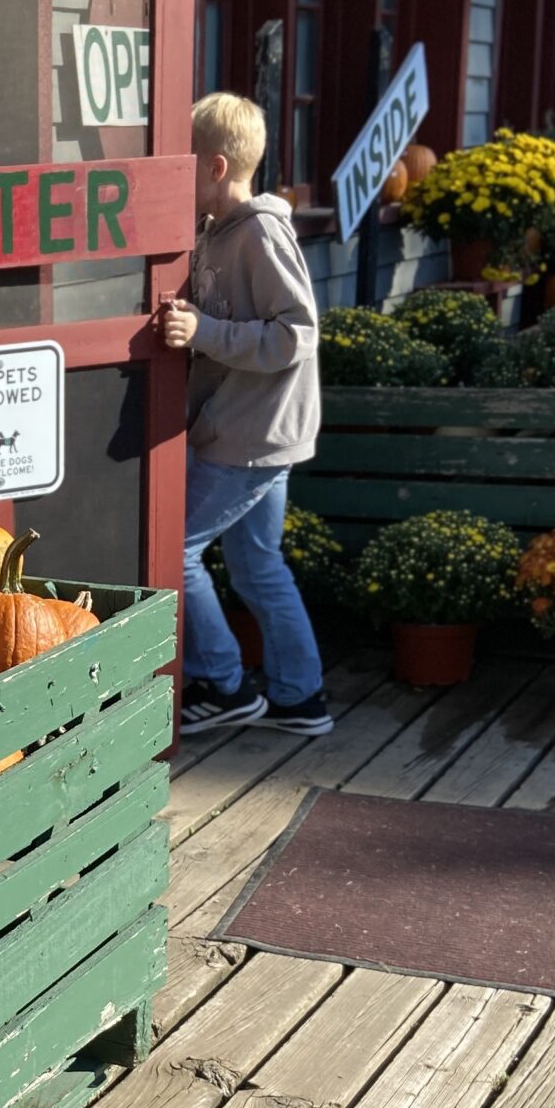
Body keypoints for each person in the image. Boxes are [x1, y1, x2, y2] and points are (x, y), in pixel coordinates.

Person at [153, 91, 332, 736]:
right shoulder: (215, 234)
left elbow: (295, 335)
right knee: (258, 566)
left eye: (185, 162)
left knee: (175, 552)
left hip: (253, 435)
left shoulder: (259, 232)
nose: (176, 172)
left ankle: (224, 683)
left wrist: (203, 331)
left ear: (216, 168)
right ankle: (299, 696)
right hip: (254, 430)